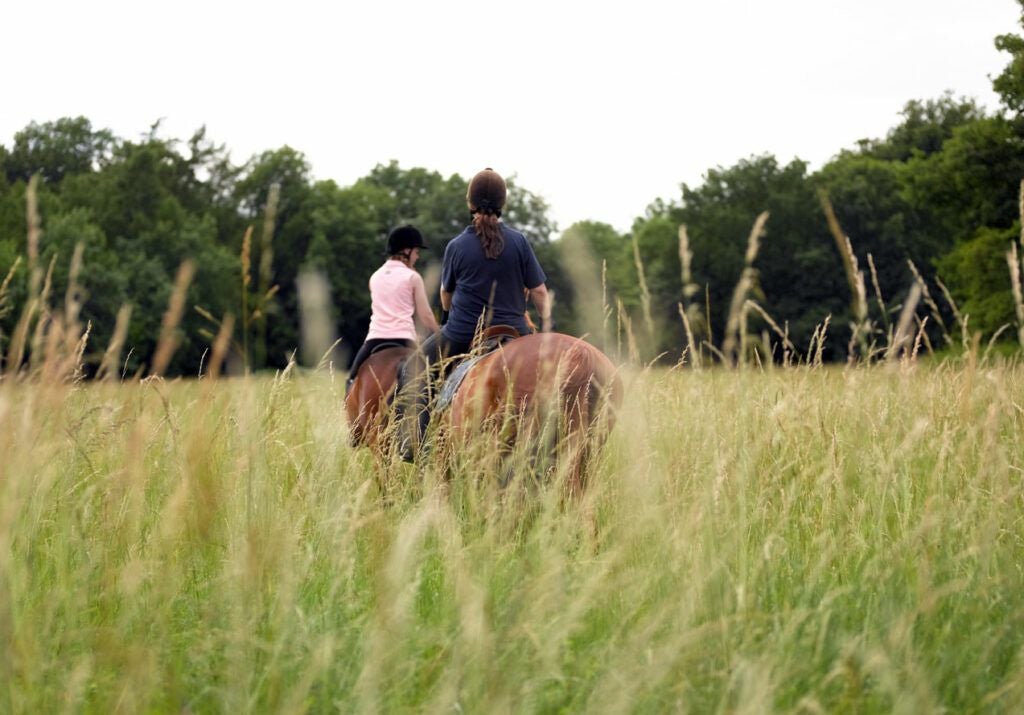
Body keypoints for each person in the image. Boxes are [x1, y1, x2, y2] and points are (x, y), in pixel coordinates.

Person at [401, 168, 551, 457]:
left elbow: (446, 295)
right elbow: (540, 293)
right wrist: (544, 328)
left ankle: (415, 445)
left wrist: (448, 316)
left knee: (413, 368)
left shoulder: (456, 246)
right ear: (503, 203)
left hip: (464, 332)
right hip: (516, 332)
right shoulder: (519, 242)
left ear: (470, 203)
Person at [346, 224, 440, 396]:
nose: (417, 257)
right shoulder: (413, 277)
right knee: (430, 383)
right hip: (405, 339)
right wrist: (439, 333)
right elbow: (425, 315)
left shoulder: (374, 276)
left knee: (352, 378)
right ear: (406, 251)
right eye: (416, 252)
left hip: (374, 340)